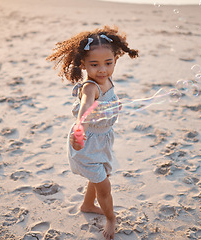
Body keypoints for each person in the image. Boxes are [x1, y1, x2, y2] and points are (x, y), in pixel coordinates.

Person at [47, 25, 138, 240]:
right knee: (104, 187)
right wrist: (80, 130)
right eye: (94, 65)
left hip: (103, 140)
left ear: (116, 59)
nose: (102, 70)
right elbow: (86, 109)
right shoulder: (90, 87)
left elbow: (105, 105)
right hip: (86, 141)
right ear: (83, 64)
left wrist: (114, 107)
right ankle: (111, 217)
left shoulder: (106, 80)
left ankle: (88, 204)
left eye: (108, 63)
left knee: (100, 176)